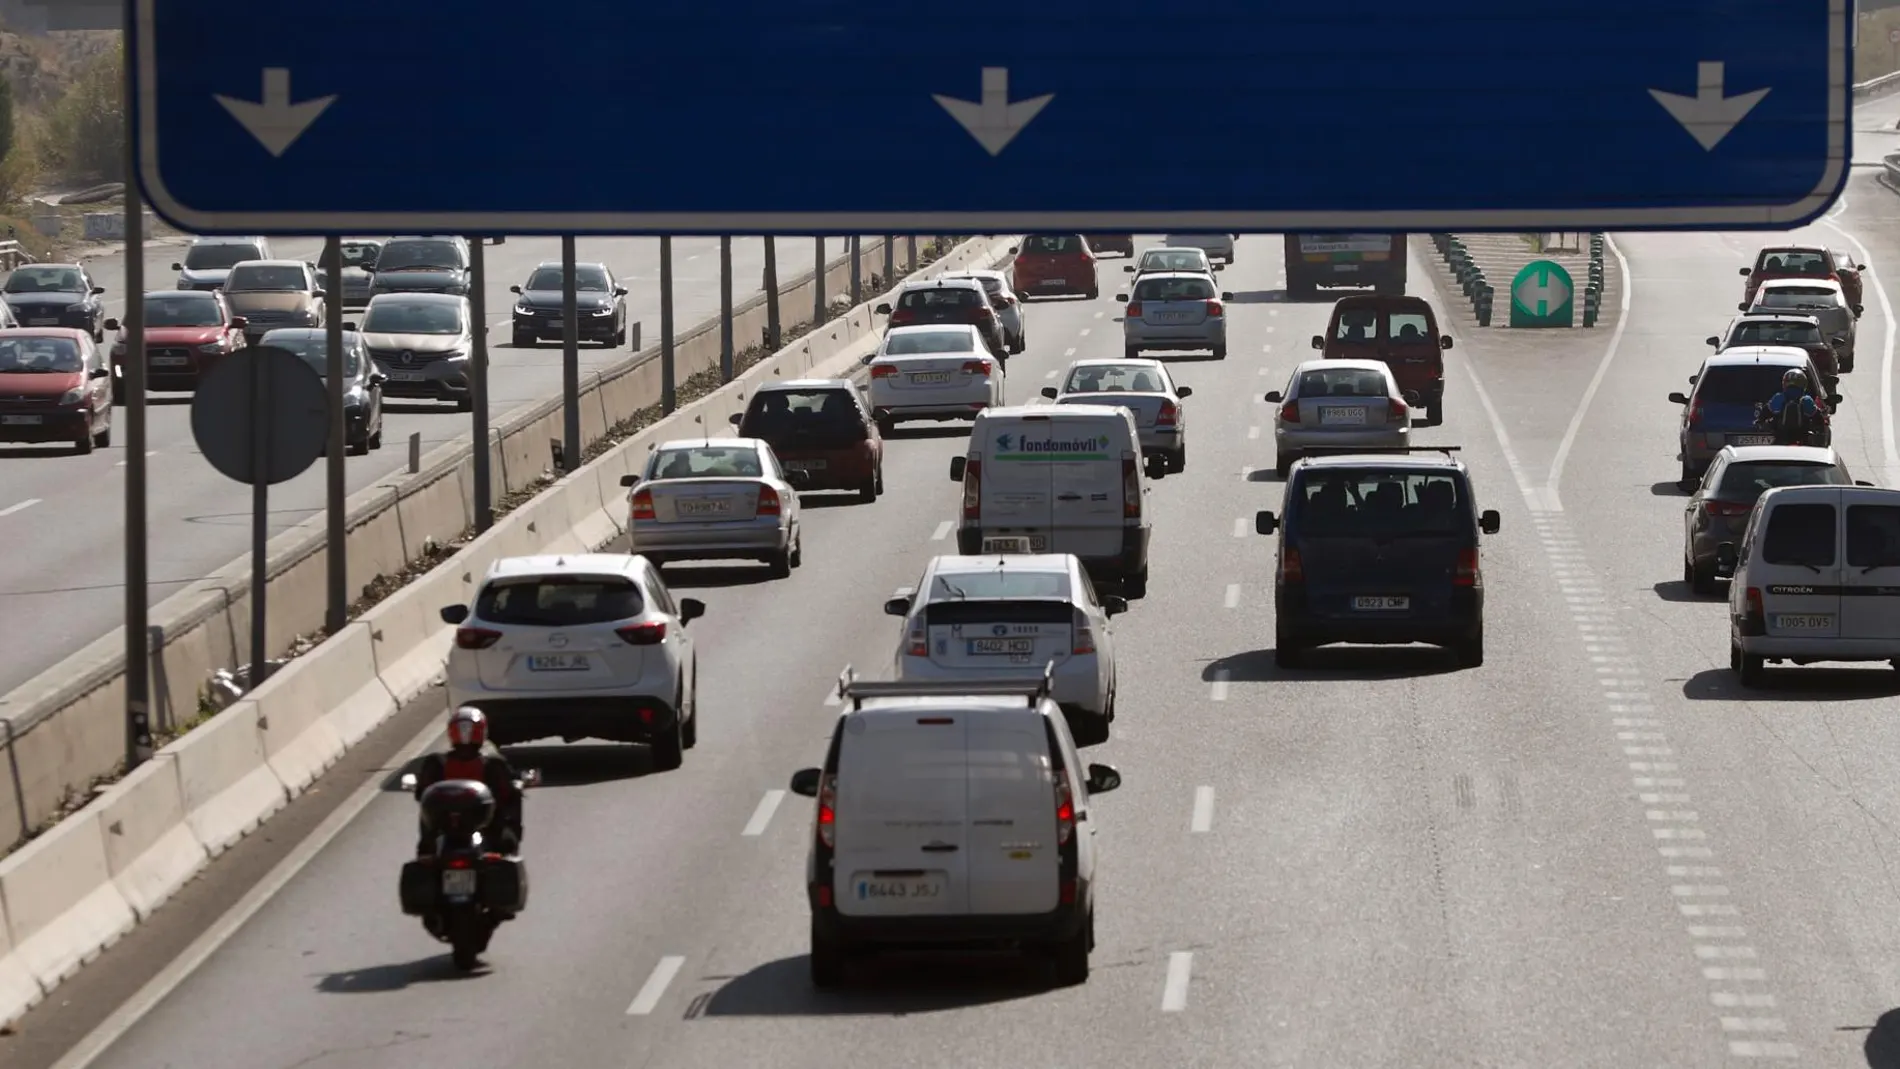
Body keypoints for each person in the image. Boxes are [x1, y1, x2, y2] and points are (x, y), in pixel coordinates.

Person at [413, 706, 523, 858]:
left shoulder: (435, 763)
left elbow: (421, 794)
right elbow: (507, 795)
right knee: (508, 845)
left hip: (443, 834)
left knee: (426, 850)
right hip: (487, 833)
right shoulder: (494, 763)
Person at [1762, 368, 1823, 444]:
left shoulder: (1779, 397)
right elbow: (1816, 415)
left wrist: (1760, 420)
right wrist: (1820, 425)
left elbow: (1766, 410)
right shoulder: (1806, 400)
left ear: (1784, 383)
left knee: (1773, 453)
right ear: (1804, 384)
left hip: (1782, 436)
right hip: (1802, 437)